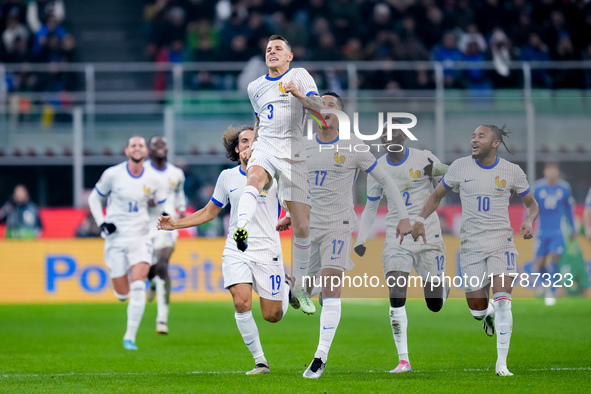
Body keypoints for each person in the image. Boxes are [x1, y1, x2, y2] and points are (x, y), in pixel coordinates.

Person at [157, 125, 291, 375]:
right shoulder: (227, 178)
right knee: (241, 302)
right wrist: (175, 223)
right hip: (237, 248)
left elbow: (294, 200)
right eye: (243, 141)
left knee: (272, 315)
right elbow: (210, 211)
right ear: (237, 148)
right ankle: (260, 361)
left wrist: (291, 215)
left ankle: (287, 286)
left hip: (268, 250)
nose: (248, 145)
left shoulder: (275, 174)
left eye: (254, 141)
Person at [411, 125, 539, 376]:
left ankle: (501, 363)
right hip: (470, 246)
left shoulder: (512, 171)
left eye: (481, 136)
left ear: (495, 143)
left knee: (504, 301)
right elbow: (436, 196)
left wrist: (528, 220)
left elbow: (531, 204)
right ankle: (487, 314)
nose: (474, 139)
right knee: (478, 311)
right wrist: (419, 219)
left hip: (502, 242)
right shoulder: (459, 167)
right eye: (473, 136)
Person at [300, 93, 412, 379]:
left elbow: (385, 180)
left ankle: (320, 357)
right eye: (320, 104)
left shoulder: (354, 147)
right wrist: (289, 214)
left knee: (331, 289)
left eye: (331, 105)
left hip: (338, 225)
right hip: (308, 228)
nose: (324, 108)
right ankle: (303, 292)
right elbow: (295, 187)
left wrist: (403, 217)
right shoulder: (304, 147)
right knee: (298, 292)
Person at [233, 34, 323, 314]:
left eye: (278, 49)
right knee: (255, 179)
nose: (272, 52)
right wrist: (252, 147)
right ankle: (241, 226)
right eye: (268, 49)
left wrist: (298, 94)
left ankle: (298, 288)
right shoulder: (255, 87)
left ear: (289, 56)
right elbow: (260, 119)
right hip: (267, 147)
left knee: (303, 227)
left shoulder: (300, 75)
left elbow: (322, 110)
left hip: (295, 153)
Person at [354, 121, 449, 374]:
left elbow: (452, 181)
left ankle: (442, 284)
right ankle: (403, 359)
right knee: (396, 290)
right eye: (383, 134)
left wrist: (441, 169)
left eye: (393, 133)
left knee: (435, 303)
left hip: (428, 235)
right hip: (396, 236)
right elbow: (371, 207)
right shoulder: (377, 167)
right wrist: (361, 239)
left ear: (404, 136)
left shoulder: (424, 158)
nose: (387, 137)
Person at [88, 136, 166, 351]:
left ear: (146, 151)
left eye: (141, 145)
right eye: (133, 145)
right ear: (126, 151)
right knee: (123, 294)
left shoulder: (154, 179)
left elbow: (162, 205)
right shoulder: (113, 175)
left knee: (138, 284)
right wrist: (102, 222)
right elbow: (94, 198)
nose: (137, 148)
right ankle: (131, 292)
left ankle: (129, 337)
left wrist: (162, 223)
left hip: (140, 236)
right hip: (115, 237)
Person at [144, 135, 187, 334]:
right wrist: (145, 202)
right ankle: (151, 282)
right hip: (144, 226)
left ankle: (161, 319)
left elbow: (178, 193)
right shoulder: (143, 171)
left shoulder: (176, 173)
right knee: (148, 268)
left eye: (163, 145)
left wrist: (182, 208)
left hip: (168, 225)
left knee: (162, 265)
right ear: (150, 150)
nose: (160, 148)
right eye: (156, 145)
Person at [532, 162, 575, 306]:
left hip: (558, 231)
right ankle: (545, 283)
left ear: (557, 172)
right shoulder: (538, 187)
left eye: (554, 170)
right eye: (549, 170)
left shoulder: (564, 187)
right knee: (541, 263)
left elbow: (569, 209)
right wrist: (527, 224)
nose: (551, 173)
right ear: (545, 172)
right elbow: (530, 207)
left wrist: (573, 228)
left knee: (555, 258)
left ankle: (551, 291)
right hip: (541, 231)